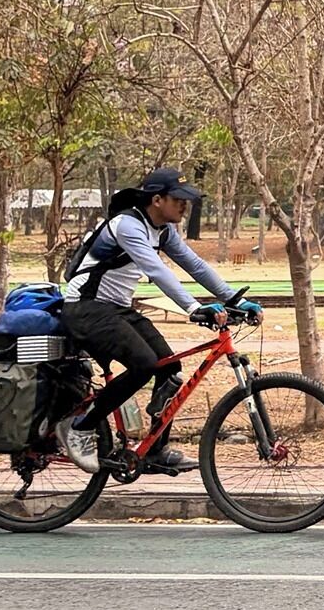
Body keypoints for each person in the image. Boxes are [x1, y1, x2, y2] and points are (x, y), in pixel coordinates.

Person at [55, 167, 252, 475]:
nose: (184, 206)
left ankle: (155, 452)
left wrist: (234, 299)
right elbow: (158, 271)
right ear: (157, 200)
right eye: (178, 200)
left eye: (186, 201)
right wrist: (192, 308)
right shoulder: (127, 225)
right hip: (86, 308)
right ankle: (80, 427)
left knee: (169, 366)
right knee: (144, 365)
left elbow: (194, 265)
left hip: (117, 308)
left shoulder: (163, 229)